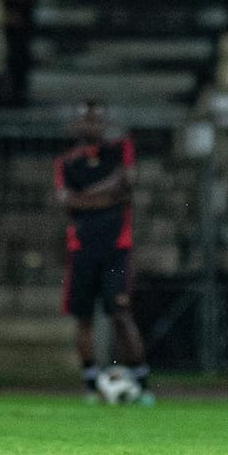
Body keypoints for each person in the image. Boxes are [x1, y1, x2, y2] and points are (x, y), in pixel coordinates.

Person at [55, 102, 153, 404]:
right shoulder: (66, 163)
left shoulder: (120, 150)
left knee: (121, 314)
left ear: (105, 123)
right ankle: (89, 383)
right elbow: (65, 201)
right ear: (77, 125)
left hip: (116, 248)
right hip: (81, 248)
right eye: (86, 120)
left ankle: (141, 382)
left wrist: (83, 198)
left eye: (96, 120)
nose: (91, 125)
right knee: (83, 317)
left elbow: (126, 183)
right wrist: (105, 197)